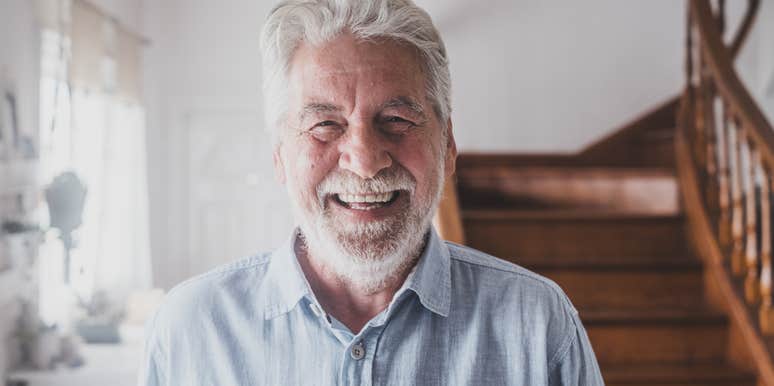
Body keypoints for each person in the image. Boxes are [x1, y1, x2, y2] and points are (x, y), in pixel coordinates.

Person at [139, 0, 604, 385]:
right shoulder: (190, 328)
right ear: (280, 155)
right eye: (324, 125)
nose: (364, 161)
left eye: (397, 121)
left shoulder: (538, 323)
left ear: (447, 146)